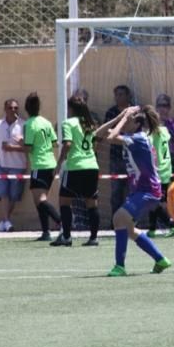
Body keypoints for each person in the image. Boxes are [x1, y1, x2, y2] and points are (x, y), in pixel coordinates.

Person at [101, 105, 172, 277]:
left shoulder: (138, 138)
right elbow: (100, 134)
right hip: (140, 190)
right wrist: (120, 116)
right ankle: (160, 259)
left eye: (129, 121)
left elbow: (111, 137)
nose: (125, 124)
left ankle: (120, 266)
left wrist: (124, 118)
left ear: (137, 123)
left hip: (148, 190)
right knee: (130, 229)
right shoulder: (131, 136)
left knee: (118, 218)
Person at [56, 95, 102, 247]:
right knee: (92, 203)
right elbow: (95, 145)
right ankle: (94, 238)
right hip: (92, 166)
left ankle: (67, 237)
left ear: (70, 108)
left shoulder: (68, 123)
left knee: (64, 201)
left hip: (75, 166)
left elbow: (67, 144)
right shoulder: (90, 123)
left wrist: (59, 164)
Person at [23, 91, 61, 242]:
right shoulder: (46, 122)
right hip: (51, 163)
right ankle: (46, 232)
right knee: (39, 200)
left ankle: (61, 221)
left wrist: (21, 143)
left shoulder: (29, 124)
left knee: (40, 200)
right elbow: (54, 143)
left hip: (39, 164)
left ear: (27, 108)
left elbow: (29, 148)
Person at [0, 98, 27, 233]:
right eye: (10, 108)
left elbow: (28, 148)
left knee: (14, 195)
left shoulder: (24, 125)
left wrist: (12, 148)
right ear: (5, 109)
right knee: (3, 194)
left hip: (18, 165)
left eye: (16, 108)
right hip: (1, 164)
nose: (13, 110)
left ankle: (4, 222)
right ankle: (6, 221)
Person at [147, 99, 174, 238]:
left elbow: (152, 154)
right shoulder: (165, 130)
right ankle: (152, 229)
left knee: (156, 202)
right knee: (153, 201)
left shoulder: (150, 136)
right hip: (166, 171)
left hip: (157, 172)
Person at [104, 85, 133, 216]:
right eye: (116, 95)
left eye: (121, 94)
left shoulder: (134, 111)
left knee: (132, 191)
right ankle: (115, 221)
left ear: (128, 96)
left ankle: (132, 220)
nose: (118, 97)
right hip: (116, 158)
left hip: (133, 157)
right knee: (116, 192)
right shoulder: (111, 113)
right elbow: (105, 132)